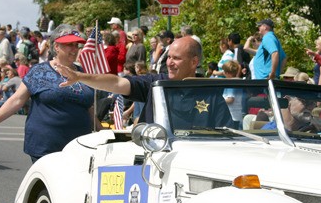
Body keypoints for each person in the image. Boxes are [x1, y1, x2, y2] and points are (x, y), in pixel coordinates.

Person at [69, 33, 231, 130]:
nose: (169, 63)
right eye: (169, 57)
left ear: (194, 62)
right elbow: (117, 83)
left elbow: (227, 134)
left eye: (176, 58)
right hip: (153, 161)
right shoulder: (155, 84)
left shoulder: (209, 93)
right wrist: (80, 77)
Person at [0, 27, 94, 160]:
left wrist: (102, 131)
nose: (74, 49)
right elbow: (17, 100)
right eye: (69, 45)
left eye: (76, 45)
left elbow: (88, 107)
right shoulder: (39, 71)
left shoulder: (83, 74)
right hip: (47, 146)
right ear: (56, 46)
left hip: (80, 147)